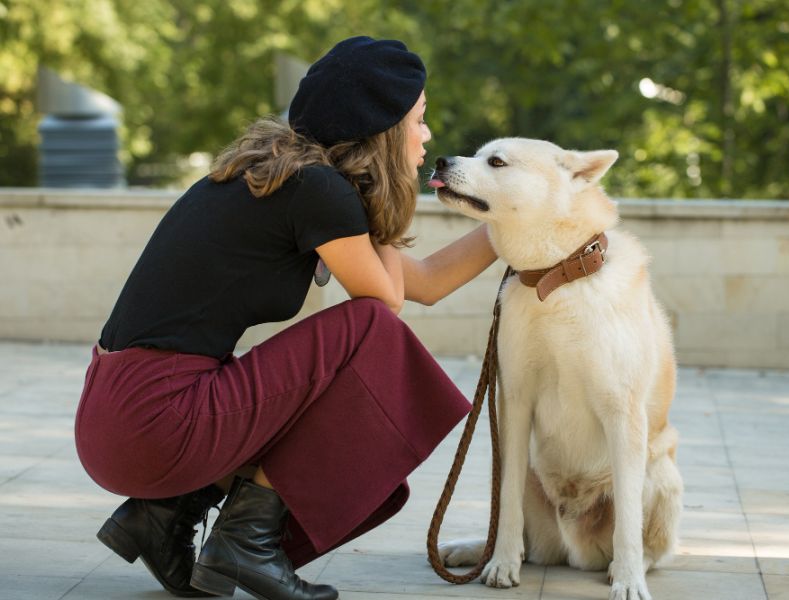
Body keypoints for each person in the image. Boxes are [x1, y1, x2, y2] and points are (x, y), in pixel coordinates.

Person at [74, 36, 497, 600]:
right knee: (370, 334)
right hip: (153, 420)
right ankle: (246, 542)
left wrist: (516, 221)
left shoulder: (286, 175)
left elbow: (425, 283)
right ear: (383, 128)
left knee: (342, 361)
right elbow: (384, 305)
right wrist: (385, 207)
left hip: (120, 412)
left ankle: (164, 515)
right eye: (419, 121)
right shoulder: (317, 190)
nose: (426, 136)